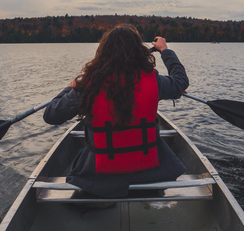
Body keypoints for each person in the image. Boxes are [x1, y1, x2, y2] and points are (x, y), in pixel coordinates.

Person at [43, 24, 189, 198]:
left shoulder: (89, 85)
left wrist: (70, 88)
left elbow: (51, 115)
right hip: (150, 172)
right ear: (138, 50)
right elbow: (180, 81)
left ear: (103, 52)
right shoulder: (154, 81)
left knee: (82, 152)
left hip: (100, 176)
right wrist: (165, 50)